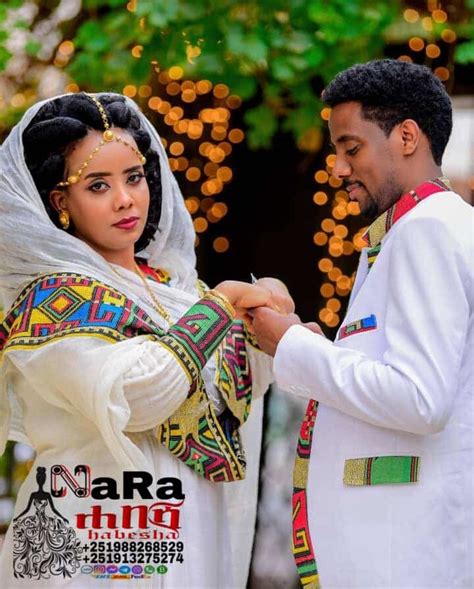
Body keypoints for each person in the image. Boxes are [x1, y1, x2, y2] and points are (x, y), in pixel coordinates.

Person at [0, 92, 292, 588]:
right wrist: (221, 306)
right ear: (60, 202)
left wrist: (271, 321)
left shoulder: (175, 288)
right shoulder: (51, 300)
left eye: (134, 178)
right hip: (94, 541)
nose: (125, 199)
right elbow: (138, 398)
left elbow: (234, 396)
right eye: (98, 185)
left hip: (188, 532)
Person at [251, 59, 473, 588]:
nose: (340, 169)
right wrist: (311, 346)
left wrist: (292, 349)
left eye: (352, 149)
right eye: (337, 152)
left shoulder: (427, 231)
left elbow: (420, 398)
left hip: (405, 554)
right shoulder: (415, 231)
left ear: (407, 137)